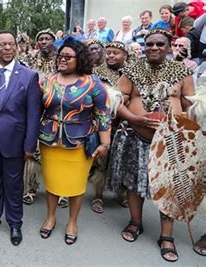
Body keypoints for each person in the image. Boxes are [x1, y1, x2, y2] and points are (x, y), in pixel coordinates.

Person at [107, 29, 195, 262]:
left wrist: (178, 126)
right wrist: (134, 118)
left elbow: (191, 105)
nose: (154, 48)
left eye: (159, 44)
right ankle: (136, 222)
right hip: (136, 137)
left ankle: (167, 236)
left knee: (168, 187)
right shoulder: (132, 71)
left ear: (169, 46)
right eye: (149, 44)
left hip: (171, 141)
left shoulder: (182, 72)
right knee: (135, 183)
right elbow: (118, 101)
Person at [38, 38, 111, 245]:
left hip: (79, 143)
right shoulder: (47, 81)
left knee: (76, 186)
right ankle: (50, 218)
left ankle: (72, 222)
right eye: (60, 56)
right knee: (51, 183)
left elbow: (104, 114)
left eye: (67, 57)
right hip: (49, 141)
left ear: (80, 60)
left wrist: (104, 144)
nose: (62, 59)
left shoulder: (92, 83)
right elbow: (36, 109)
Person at [0, 30, 41, 246]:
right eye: (2, 44)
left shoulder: (29, 76)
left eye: (11, 44)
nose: (8, 48)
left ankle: (14, 224)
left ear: (17, 47)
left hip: (16, 142)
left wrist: (30, 144)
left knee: (13, 185)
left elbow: (33, 114)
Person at [90, 41, 130, 213]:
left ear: (125, 55)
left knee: (123, 159)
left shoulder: (131, 73)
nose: (111, 56)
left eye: (116, 53)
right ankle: (98, 195)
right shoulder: (97, 73)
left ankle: (121, 194)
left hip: (125, 124)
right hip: (104, 122)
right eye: (109, 53)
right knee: (102, 160)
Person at [22, 28, 57, 206]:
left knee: (55, 151)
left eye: (47, 39)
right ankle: (30, 188)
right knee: (32, 149)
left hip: (56, 110)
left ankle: (59, 190)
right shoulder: (29, 58)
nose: (44, 42)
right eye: (41, 39)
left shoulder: (62, 58)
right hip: (34, 107)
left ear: (53, 41)